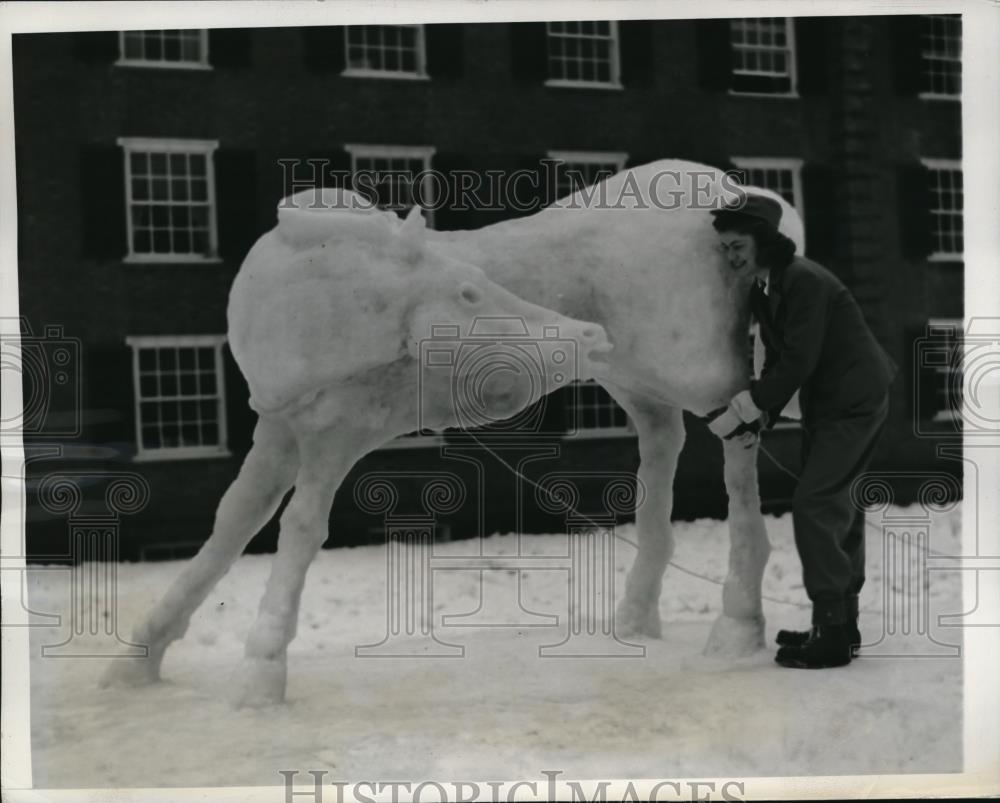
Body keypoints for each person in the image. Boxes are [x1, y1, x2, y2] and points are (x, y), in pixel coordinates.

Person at [706, 193, 897, 669]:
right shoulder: (766, 287)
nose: (731, 256)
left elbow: (799, 360)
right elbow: (774, 356)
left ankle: (831, 634)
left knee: (815, 504)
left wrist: (749, 405)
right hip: (828, 404)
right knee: (839, 507)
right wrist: (762, 416)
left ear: (764, 241)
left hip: (852, 402)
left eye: (738, 246)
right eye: (724, 248)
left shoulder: (804, 281)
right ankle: (839, 625)